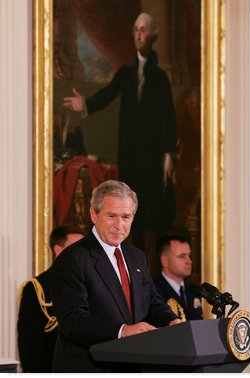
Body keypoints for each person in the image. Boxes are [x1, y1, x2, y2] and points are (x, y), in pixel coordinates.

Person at [63, 12, 177, 264]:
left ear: (153, 36)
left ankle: (153, 265)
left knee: (152, 211)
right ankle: (131, 262)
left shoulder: (160, 78)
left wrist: (168, 153)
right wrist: (85, 104)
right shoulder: (126, 73)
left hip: (153, 155)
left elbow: (169, 116)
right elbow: (107, 94)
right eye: (135, 30)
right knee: (129, 212)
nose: (138, 35)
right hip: (130, 153)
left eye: (143, 30)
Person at [50, 180, 184, 373]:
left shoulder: (136, 256)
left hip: (133, 366)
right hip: (90, 368)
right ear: (94, 214)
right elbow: (73, 321)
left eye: (126, 217)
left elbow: (152, 302)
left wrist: (171, 322)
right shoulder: (72, 258)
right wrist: (123, 331)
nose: (119, 225)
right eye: (111, 216)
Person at [17, 225, 84, 373]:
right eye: (76, 247)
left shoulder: (90, 284)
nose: (82, 253)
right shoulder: (36, 288)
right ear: (58, 250)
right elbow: (30, 346)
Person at [154, 235, 202, 321]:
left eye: (189, 256)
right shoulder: (154, 291)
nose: (189, 261)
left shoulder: (194, 290)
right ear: (165, 260)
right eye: (182, 256)